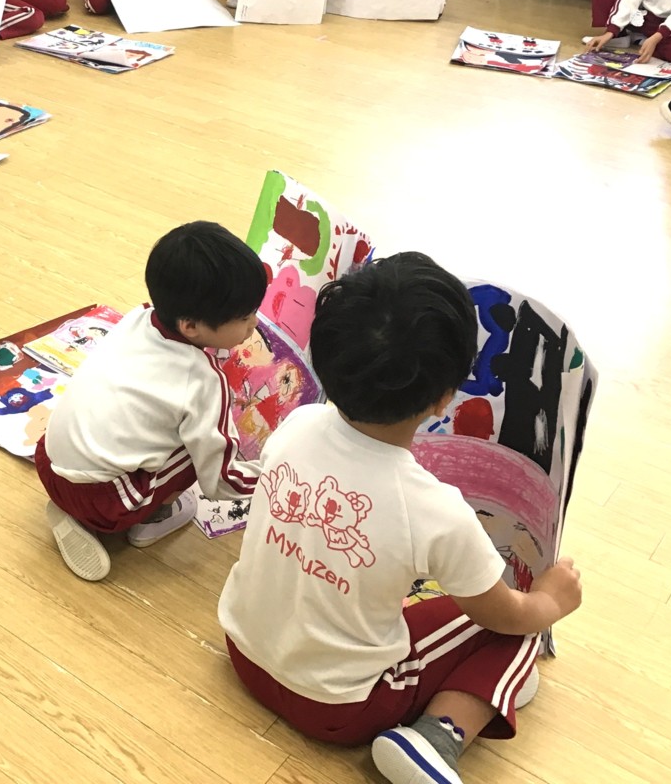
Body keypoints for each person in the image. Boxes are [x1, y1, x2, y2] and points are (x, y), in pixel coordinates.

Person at [218, 252, 583, 784]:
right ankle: (438, 736)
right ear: (444, 399)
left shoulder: (297, 424)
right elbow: (505, 615)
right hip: (338, 708)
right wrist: (552, 601)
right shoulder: (435, 510)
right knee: (520, 623)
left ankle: (487, 685)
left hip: (242, 653)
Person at [35, 221, 267, 582]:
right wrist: (274, 477)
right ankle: (151, 519)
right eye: (244, 318)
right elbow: (220, 481)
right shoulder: (203, 380)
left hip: (48, 462)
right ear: (190, 327)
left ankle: (74, 509)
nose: (255, 324)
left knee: (173, 424)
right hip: (104, 503)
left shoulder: (137, 318)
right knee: (201, 442)